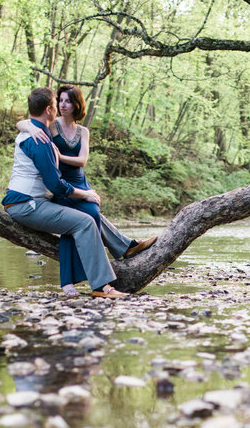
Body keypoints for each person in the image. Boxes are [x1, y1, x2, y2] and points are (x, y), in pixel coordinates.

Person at [16, 85, 155, 292]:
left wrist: (59, 155)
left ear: (76, 104)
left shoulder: (83, 131)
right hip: (61, 183)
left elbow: (82, 160)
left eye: (67, 101)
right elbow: (24, 122)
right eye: (60, 101)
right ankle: (114, 257)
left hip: (79, 181)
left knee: (92, 213)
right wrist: (30, 127)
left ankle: (118, 254)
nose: (62, 105)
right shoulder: (51, 125)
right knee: (81, 220)